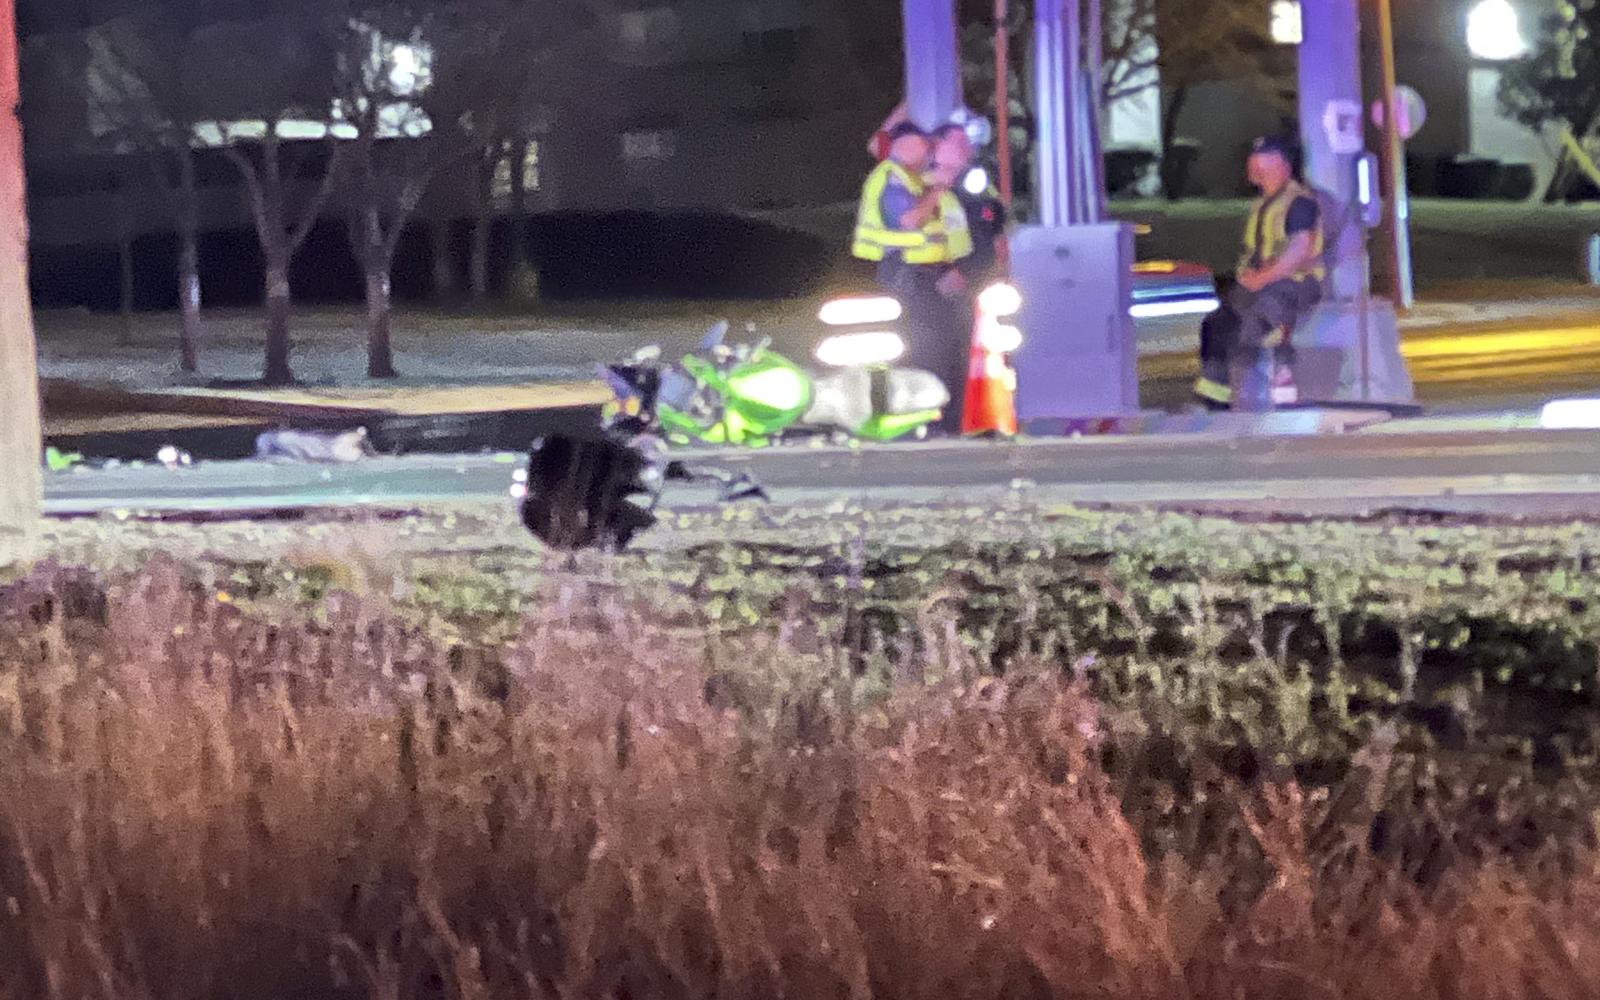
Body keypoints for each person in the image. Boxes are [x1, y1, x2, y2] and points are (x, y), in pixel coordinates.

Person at [850, 120, 973, 433]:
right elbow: (910, 221)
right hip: (908, 278)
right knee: (924, 349)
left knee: (941, 348)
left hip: (926, 277)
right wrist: (939, 188)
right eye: (921, 144)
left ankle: (938, 419)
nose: (927, 151)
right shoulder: (893, 177)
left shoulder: (913, 179)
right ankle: (920, 420)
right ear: (902, 146)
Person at [1193, 135, 1325, 411]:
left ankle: (1279, 386)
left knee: (1254, 322)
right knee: (1216, 323)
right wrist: (1245, 277)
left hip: (1295, 285)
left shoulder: (1299, 204)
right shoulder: (1262, 205)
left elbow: (1299, 251)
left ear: (1282, 167)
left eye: (1262, 166)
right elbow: (1254, 250)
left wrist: (1261, 279)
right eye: (1254, 167)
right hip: (1262, 285)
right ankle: (1216, 395)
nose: (1255, 173)